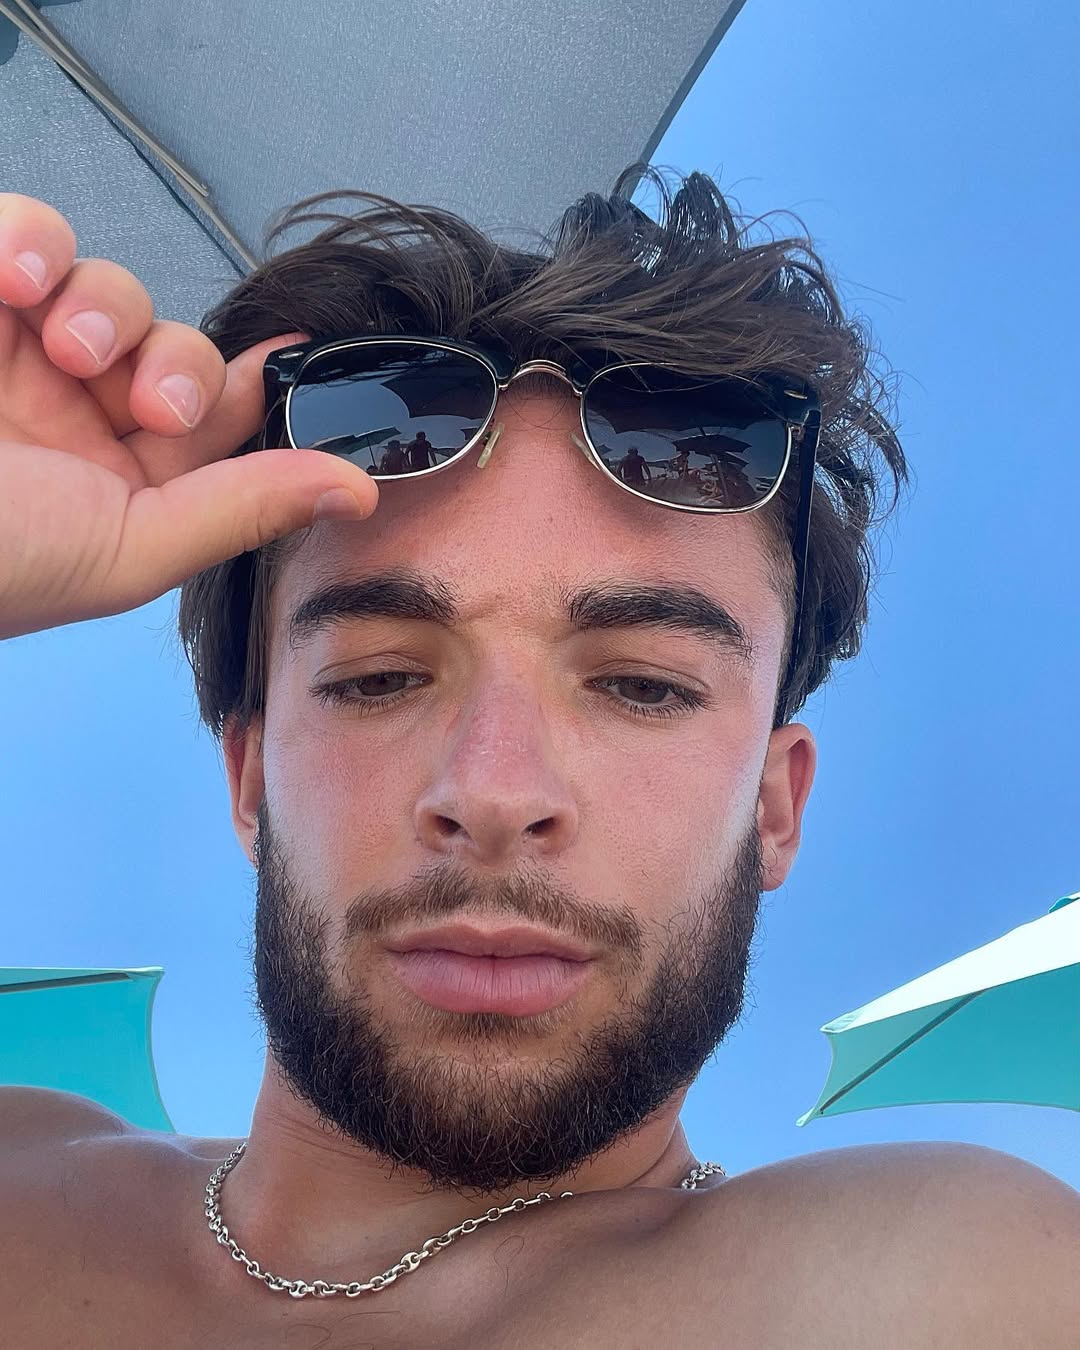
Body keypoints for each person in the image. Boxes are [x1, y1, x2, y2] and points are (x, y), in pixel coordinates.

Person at [1, 169, 1077, 1349]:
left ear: (775, 809)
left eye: (642, 686)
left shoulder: (940, 1285)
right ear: (250, 780)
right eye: (380, 678)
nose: (495, 792)